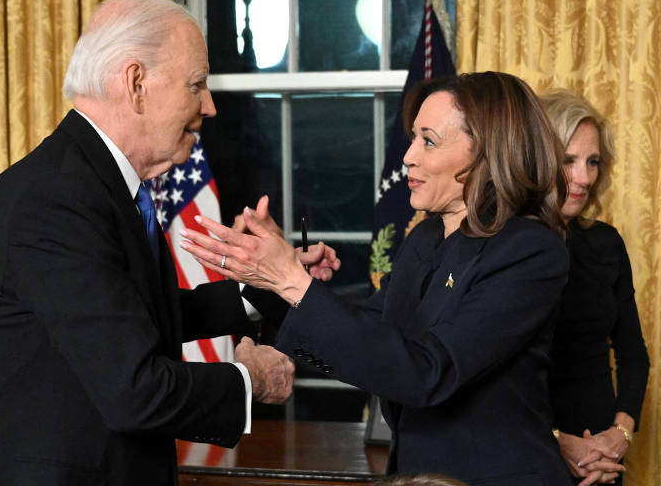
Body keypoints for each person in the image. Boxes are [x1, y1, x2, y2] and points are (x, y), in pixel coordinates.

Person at [0, 0, 338, 486]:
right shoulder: (56, 197)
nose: (209, 106)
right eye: (197, 84)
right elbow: (134, 390)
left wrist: (266, 284)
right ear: (136, 84)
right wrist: (248, 381)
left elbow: (131, 317)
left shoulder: (95, 183)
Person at [180, 72, 574, 485]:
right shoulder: (424, 237)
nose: (408, 157)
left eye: (429, 140)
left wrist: (293, 281)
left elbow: (428, 372)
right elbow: (372, 333)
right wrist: (271, 279)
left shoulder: (529, 251)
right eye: (413, 138)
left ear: (487, 154)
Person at [541, 90, 650, 486]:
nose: (584, 178)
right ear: (537, 157)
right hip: (532, 450)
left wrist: (619, 435)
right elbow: (496, 381)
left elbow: (634, 355)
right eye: (568, 161)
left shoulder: (606, 242)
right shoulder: (507, 245)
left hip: (603, 460)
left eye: (592, 162)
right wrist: (558, 443)